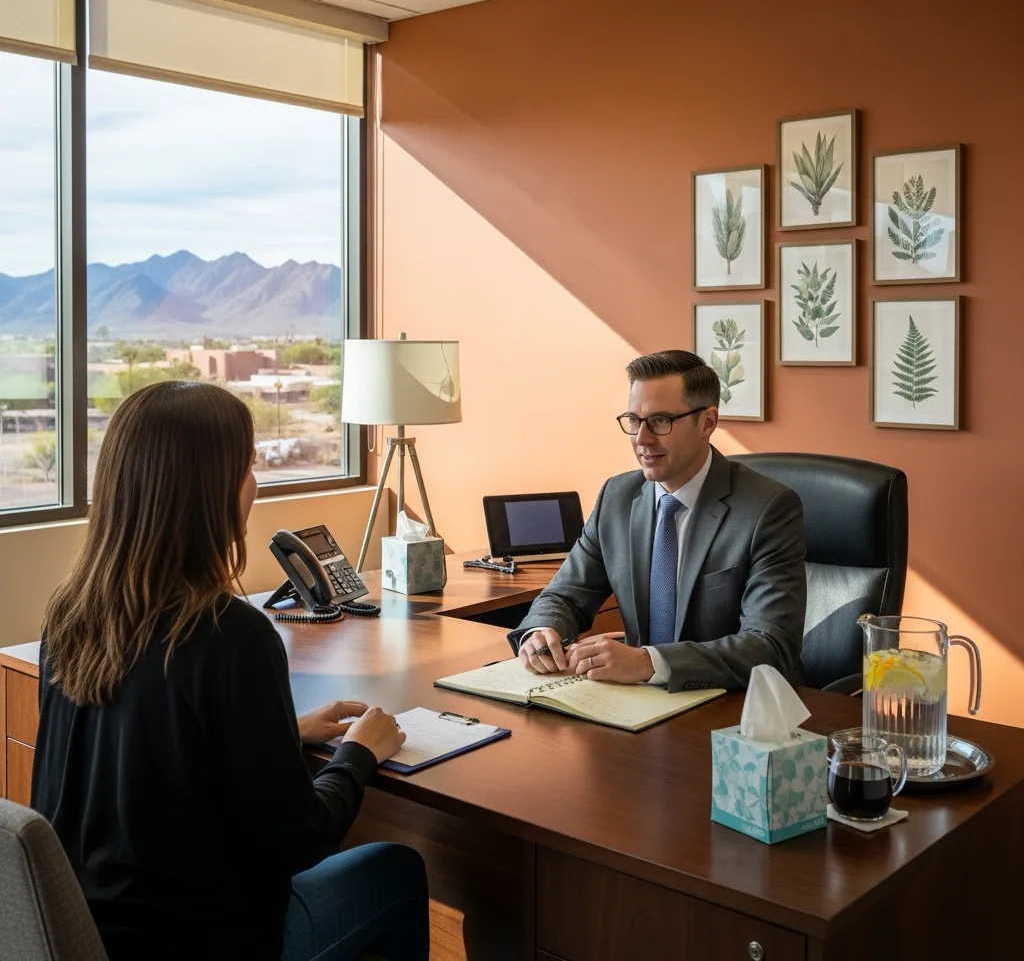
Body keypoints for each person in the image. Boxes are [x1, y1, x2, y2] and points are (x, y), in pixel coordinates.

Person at [31, 382, 429, 961]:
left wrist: (283, 732)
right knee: (396, 869)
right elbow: (297, 840)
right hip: (201, 941)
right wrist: (359, 754)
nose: (255, 484)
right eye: (246, 467)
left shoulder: (70, 615)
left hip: (85, 934)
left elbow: (148, 749)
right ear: (208, 490)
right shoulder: (230, 635)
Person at [510, 350, 806, 692]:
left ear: (707, 422)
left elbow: (770, 645)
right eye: (634, 420)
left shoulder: (767, 509)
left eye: (661, 421)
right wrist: (541, 631)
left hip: (734, 708)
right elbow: (564, 595)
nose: (642, 439)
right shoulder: (617, 496)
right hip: (636, 705)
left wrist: (647, 662)